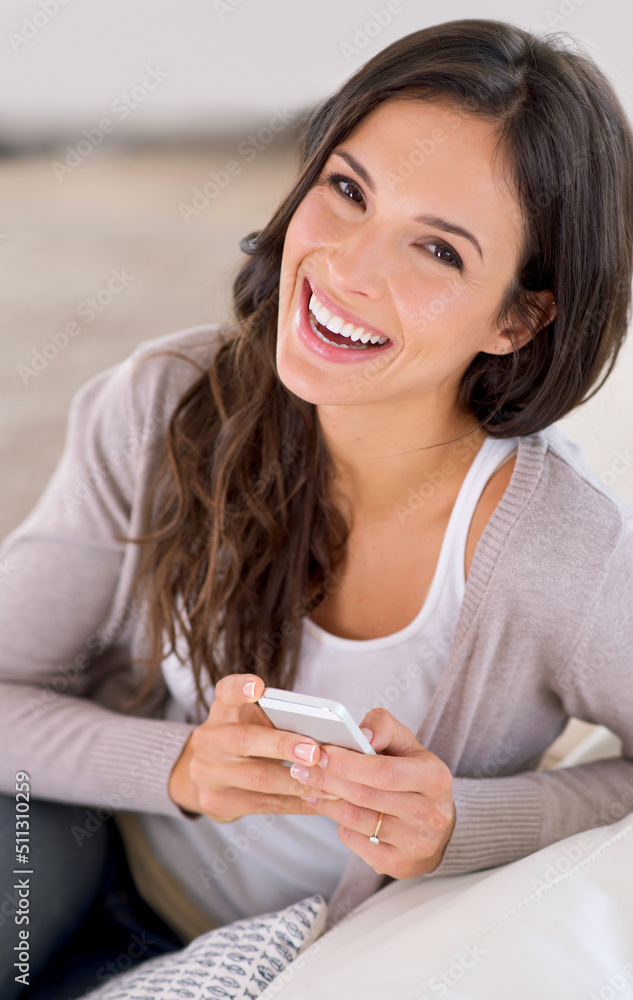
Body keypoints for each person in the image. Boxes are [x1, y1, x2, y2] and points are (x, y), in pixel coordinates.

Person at [2, 16, 633, 994]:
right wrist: (179, 767)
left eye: (437, 250)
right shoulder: (163, 404)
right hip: (91, 847)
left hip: (294, 947)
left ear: (519, 317)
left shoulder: (561, 553)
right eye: (347, 190)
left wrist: (463, 819)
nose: (348, 268)